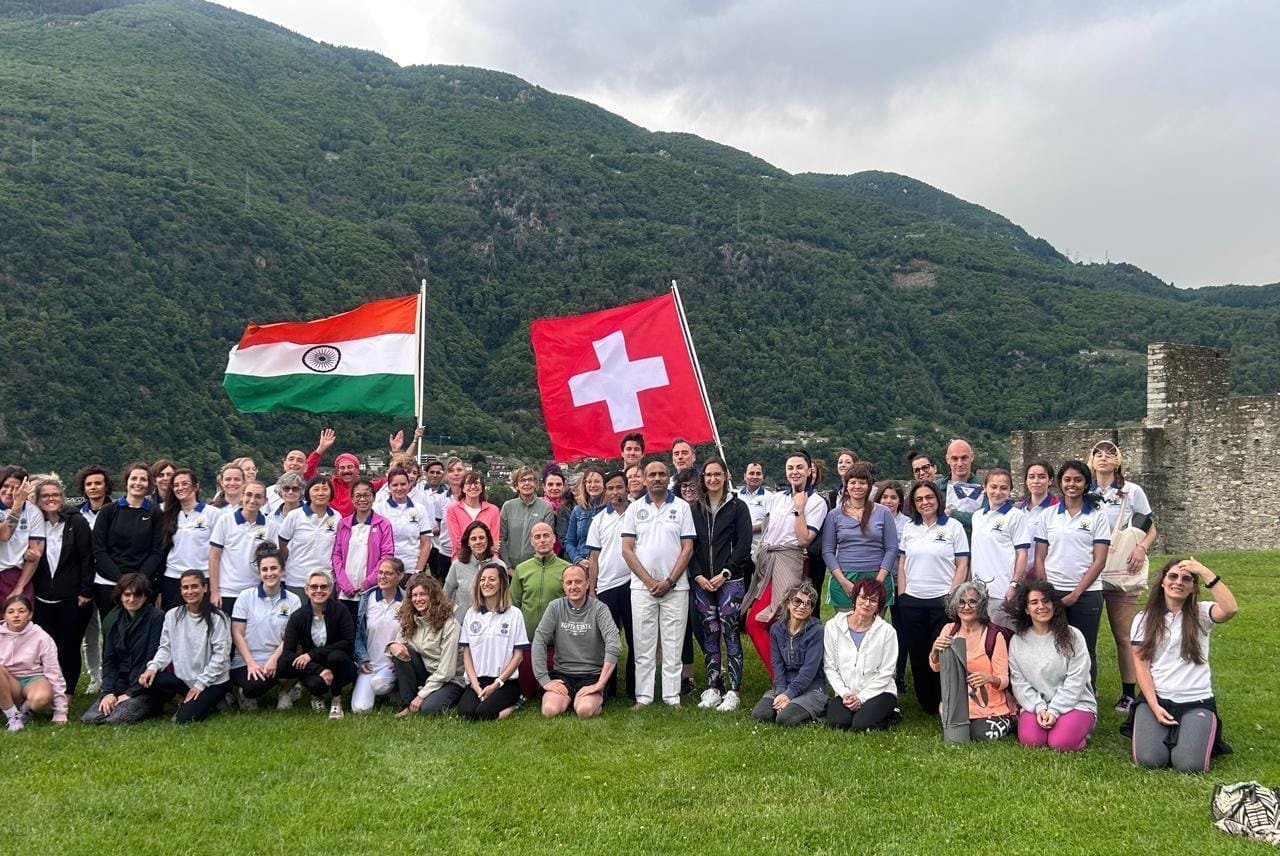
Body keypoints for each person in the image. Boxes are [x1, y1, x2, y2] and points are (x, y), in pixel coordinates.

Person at [1131, 557, 1238, 773]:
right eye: (1172, 576)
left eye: (1186, 579)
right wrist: (1153, 705)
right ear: (1162, 581)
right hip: (1158, 698)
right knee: (1150, 760)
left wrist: (1204, 571)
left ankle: (1192, 732)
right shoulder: (1144, 618)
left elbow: (1230, 609)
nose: (1178, 582)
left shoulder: (1201, 613)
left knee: (1189, 765)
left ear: (1192, 587)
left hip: (1195, 700)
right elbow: (1141, 665)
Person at [1089, 440, 1159, 714]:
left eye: (1109, 454)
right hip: (1092, 570)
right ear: (1091, 460)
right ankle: (1088, 685)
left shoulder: (1132, 491)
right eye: (1098, 453)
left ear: (1118, 461)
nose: (1103, 458)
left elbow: (1150, 526)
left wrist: (1141, 547)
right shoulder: (1087, 490)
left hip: (1121, 569)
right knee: (1087, 636)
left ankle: (1129, 692)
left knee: (1124, 635)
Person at [744, 451, 828, 679]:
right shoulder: (778, 498)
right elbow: (769, 529)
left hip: (790, 561)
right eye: (790, 467)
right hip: (769, 561)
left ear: (810, 471)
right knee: (769, 623)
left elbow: (804, 539)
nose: (795, 472)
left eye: (800, 467)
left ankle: (785, 678)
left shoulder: (817, 502)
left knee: (762, 621)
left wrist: (799, 507)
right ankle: (786, 675)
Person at [621, 460, 695, 709]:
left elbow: (688, 547)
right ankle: (644, 697)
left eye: (662, 474)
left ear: (668, 478)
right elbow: (627, 549)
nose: (657, 478)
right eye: (651, 474)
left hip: (676, 587)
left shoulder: (682, 508)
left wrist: (670, 581)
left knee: (674, 643)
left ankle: (672, 696)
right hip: (642, 588)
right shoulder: (634, 510)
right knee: (643, 643)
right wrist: (650, 581)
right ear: (643, 479)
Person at [1032, 460, 1110, 688]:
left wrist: (1076, 594)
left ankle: (1087, 696)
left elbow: (1100, 560)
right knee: (1055, 646)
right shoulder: (1048, 515)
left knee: (1084, 647)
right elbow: (1039, 557)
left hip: (1087, 594)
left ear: (1086, 484)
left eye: (1078, 480)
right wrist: (1047, 592)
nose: (1072, 484)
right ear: (1060, 482)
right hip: (1054, 592)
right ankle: (1056, 693)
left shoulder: (1097, 515)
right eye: (1067, 479)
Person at [895, 479, 969, 715]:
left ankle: (945, 698)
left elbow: (962, 563)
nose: (924, 502)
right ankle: (926, 701)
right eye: (919, 499)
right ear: (913, 504)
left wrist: (952, 596)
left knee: (943, 652)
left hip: (942, 600)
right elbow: (903, 561)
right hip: (913, 600)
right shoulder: (909, 528)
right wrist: (903, 594)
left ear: (937, 499)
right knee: (918, 652)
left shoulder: (953, 527)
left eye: (929, 497)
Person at [689, 459, 753, 712]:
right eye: (708, 475)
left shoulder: (738, 507)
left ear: (726, 476)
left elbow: (743, 544)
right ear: (703, 478)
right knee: (710, 634)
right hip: (702, 581)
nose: (713, 479)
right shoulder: (695, 509)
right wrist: (697, 575)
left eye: (717, 474)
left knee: (730, 632)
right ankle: (713, 686)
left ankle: (734, 690)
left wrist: (725, 572)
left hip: (731, 580)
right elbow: (688, 545)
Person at [131, 570, 233, 723]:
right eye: (185, 587)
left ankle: (212, 700)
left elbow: (221, 657)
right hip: (183, 679)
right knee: (146, 680)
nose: (189, 591)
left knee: (183, 720)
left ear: (205, 588)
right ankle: (183, 700)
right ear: (180, 590)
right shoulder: (172, 615)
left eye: (194, 586)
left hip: (212, 682)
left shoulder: (218, 618)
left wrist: (200, 685)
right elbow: (165, 648)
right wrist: (152, 668)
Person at [1007, 580, 1096, 752]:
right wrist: (1039, 707)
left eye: (1046, 601)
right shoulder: (1017, 641)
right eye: (1034, 602)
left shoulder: (1073, 636)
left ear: (1053, 605)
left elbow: (1076, 680)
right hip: (1037, 705)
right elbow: (1019, 682)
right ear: (1026, 609)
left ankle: (1079, 728)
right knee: (1031, 740)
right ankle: (1060, 726)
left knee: (1061, 743)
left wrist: (1054, 711)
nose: (1041, 606)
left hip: (1076, 702)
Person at [930, 580, 1016, 742]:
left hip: (991, 705)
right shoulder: (949, 630)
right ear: (955, 606)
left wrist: (988, 678)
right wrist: (935, 651)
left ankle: (1010, 720)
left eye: (972, 602)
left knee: (979, 735)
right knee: (958, 736)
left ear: (981, 605)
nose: (966, 607)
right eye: (961, 602)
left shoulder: (994, 635)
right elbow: (936, 668)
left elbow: (1003, 679)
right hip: (958, 703)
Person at [30, 476, 93, 694]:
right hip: (41, 598)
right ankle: (47, 688)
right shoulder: (33, 523)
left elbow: (87, 556)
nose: (51, 499)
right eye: (45, 495)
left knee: (69, 646)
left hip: (72, 598)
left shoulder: (76, 521)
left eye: (55, 495)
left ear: (62, 497)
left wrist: (85, 591)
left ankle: (67, 692)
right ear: (38, 499)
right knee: (45, 647)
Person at [532, 563, 620, 718]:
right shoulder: (555, 607)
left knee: (584, 711)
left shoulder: (600, 609)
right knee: (549, 710)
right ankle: (569, 698)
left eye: (578, 582)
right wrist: (544, 680)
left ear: (587, 584)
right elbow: (539, 640)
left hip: (592, 675)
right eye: (569, 582)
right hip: (563, 674)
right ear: (563, 586)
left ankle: (586, 700)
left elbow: (614, 645)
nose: (573, 586)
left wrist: (600, 684)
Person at [80, 573, 165, 724]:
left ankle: (151, 705)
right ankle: (119, 701)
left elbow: (151, 657)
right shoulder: (112, 619)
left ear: (145, 596)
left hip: (143, 684)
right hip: (120, 682)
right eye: (127, 594)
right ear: (120, 595)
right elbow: (109, 659)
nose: (131, 599)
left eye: (137, 595)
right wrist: (108, 693)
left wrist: (131, 693)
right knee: (90, 718)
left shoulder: (156, 617)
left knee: (116, 719)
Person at [229, 545, 302, 710]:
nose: (270, 573)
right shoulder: (245, 597)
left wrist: (273, 660)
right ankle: (242, 692)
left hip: (277, 657)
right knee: (254, 687)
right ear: (259, 573)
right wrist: (251, 664)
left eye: (274, 568)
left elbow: (291, 637)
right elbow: (237, 633)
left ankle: (286, 691)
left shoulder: (293, 600)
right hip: (246, 660)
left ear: (282, 571)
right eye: (265, 569)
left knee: (299, 665)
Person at [278, 571, 356, 719]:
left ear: (330, 589)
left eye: (323, 587)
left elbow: (348, 642)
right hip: (315, 666)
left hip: (340, 663)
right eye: (314, 587)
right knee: (313, 683)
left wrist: (311, 654)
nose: (318, 591)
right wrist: (319, 669)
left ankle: (336, 700)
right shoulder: (297, 617)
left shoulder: (340, 610)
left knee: (336, 656)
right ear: (306, 590)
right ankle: (316, 695)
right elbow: (287, 653)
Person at [823, 578, 899, 731]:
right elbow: (830, 667)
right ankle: (858, 709)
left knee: (861, 726)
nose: (867, 603)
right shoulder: (833, 627)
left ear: (878, 606)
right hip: (848, 692)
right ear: (855, 598)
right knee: (838, 722)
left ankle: (893, 714)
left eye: (873, 600)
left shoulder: (887, 632)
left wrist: (861, 698)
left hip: (880, 691)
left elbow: (886, 672)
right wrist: (845, 694)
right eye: (863, 597)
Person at [822, 463, 898, 613]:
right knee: (845, 629)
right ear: (846, 485)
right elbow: (827, 551)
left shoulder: (883, 512)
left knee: (874, 630)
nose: (857, 486)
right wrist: (843, 581)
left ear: (869, 486)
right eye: (853, 482)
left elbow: (891, 548)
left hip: (876, 576)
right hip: (845, 578)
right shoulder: (834, 515)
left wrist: (879, 580)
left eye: (862, 482)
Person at [457, 560, 528, 720]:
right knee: (466, 713)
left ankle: (517, 703)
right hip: (478, 680)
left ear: (502, 583)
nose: (486, 583)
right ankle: (479, 693)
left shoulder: (514, 614)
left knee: (484, 714)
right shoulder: (471, 613)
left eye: (492, 579)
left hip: (504, 682)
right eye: (482, 579)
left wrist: (497, 683)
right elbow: (466, 654)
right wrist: (475, 685)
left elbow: (518, 656)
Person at [586, 470, 635, 700]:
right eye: (611, 488)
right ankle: (608, 689)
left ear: (627, 488)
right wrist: (592, 590)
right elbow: (593, 558)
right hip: (606, 587)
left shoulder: (637, 512)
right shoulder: (599, 520)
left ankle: (635, 689)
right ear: (606, 491)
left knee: (636, 639)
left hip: (634, 584)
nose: (616, 492)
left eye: (619, 487)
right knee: (608, 641)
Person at [388, 573, 465, 717]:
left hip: (450, 679)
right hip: (426, 672)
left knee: (429, 708)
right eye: (414, 595)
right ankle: (408, 703)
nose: (418, 599)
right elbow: (399, 644)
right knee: (401, 651)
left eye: (423, 594)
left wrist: (422, 695)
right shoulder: (411, 619)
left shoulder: (450, 625)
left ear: (433, 596)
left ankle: (454, 697)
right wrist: (392, 646)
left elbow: (446, 671)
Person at [90, 462, 161, 615]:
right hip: (108, 583)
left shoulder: (155, 513)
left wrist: (137, 581)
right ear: (126, 481)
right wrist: (122, 581)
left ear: (149, 484)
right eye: (133, 478)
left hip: (142, 585)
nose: (138, 483)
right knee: (111, 631)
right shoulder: (108, 511)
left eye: (143, 479)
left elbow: (156, 552)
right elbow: (99, 550)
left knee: (139, 633)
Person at [751, 581, 825, 726]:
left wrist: (789, 695)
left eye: (808, 603)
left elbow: (809, 671)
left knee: (785, 719)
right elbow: (777, 664)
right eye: (797, 601)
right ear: (788, 603)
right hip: (784, 686)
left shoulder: (817, 631)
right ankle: (789, 705)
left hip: (811, 688)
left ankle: (817, 712)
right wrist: (780, 693)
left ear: (811, 610)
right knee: (760, 715)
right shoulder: (776, 629)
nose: (802, 606)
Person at [511, 522, 570, 697]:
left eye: (546, 535)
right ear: (531, 541)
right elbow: (514, 605)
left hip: (558, 644)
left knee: (559, 689)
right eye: (537, 537)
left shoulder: (566, 569)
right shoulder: (522, 570)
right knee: (527, 692)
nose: (542, 540)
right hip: (528, 643)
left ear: (554, 539)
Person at [969, 468, 1030, 624]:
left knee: (1003, 639)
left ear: (1010, 490)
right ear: (985, 488)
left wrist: (1014, 584)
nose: (998, 492)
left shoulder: (1016, 516)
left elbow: (1022, 553)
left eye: (1003, 488)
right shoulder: (977, 516)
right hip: (978, 592)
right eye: (993, 487)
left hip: (1002, 592)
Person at [208, 481, 277, 617]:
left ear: (264, 501)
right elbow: (214, 557)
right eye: (249, 495)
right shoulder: (225, 520)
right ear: (241, 496)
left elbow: (273, 561)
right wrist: (214, 591)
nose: (252, 500)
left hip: (255, 591)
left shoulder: (270, 526)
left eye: (258, 496)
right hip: (227, 591)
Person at [331, 478, 395, 624]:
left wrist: (367, 583)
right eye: (358, 495)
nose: (362, 499)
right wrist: (344, 584)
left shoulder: (383, 524)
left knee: (367, 631)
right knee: (346, 632)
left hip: (371, 589)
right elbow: (337, 555)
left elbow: (387, 556)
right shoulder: (344, 524)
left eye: (366, 495)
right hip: (345, 592)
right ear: (352, 498)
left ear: (373, 497)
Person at [0, 594, 68, 729]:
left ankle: (24, 711)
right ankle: (12, 715)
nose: (16, 615)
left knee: (41, 698)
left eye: (21, 611)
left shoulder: (42, 637)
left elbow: (54, 673)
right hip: (6, 679)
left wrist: (60, 712)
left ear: (30, 614)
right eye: (11, 612)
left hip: (32, 679)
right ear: (4, 616)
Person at [158, 469, 220, 610]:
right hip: (173, 578)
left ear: (196, 486)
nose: (180, 488)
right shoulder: (164, 512)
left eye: (185, 483)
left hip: (202, 577)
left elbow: (218, 551)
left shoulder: (213, 514)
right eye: (176, 485)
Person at [74, 465, 111, 692]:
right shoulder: (77, 514)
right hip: (85, 580)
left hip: (108, 580)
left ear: (106, 485)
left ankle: (110, 674)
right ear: (84, 488)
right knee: (89, 632)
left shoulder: (117, 510)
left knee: (109, 630)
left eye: (98, 483)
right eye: (89, 484)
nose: (94, 487)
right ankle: (95, 676)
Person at [351, 557, 405, 713]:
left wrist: (399, 662)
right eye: (380, 572)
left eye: (388, 573)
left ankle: (395, 689)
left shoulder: (407, 601)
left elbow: (411, 635)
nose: (382, 577)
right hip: (369, 665)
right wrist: (362, 659)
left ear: (400, 576)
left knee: (379, 684)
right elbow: (358, 634)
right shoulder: (367, 599)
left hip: (392, 665)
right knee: (360, 709)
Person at [277, 475, 340, 600]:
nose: (320, 493)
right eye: (316, 489)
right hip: (298, 580)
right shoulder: (295, 516)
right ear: (308, 493)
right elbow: (282, 544)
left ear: (331, 493)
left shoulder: (337, 517)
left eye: (325, 489)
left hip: (326, 580)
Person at [374, 467, 432, 575]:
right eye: (395, 485)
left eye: (403, 484)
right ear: (389, 487)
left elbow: (426, 543)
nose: (399, 488)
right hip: (386, 570)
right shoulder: (378, 509)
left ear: (409, 485)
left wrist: (418, 571)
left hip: (411, 569)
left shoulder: (420, 509)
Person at [499, 467, 554, 568]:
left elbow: (547, 540)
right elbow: (501, 538)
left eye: (530, 480)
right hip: (511, 569)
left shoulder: (546, 508)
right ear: (516, 486)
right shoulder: (507, 507)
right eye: (522, 480)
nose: (527, 483)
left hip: (536, 568)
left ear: (536, 484)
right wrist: (507, 567)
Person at [444, 521, 496, 622]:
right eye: (473, 539)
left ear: (488, 540)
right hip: (461, 623)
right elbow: (445, 595)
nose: (478, 542)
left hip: (491, 625)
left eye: (481, 538)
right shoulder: (457, 565)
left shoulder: (499, 566)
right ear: (468, 542)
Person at [1015, 460, 1057, 582]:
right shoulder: (1017, 509)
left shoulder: (1057, 510)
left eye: (1042, 477)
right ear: (1026, 480)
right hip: (1015, 575)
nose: (1036, 481)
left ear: (1050, 480)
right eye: (1031, 477)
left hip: (1044, 576)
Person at [445, 472, 500, 561]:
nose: (473, 486)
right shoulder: (453, 510)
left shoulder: (493, 510)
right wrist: (483, 547)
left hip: (488, 560)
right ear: (463, 488)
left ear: (482, 488)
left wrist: (485, 550)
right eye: (469, 483)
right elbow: (457, 542)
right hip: (463, 560)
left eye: (477, 483)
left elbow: (494, 542)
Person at [563, 467, 606, 567]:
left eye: (597, 481)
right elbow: (569, 541)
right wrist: (577, 559)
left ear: (604, 484)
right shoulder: (578, 510)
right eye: (589, 482)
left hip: (605, 562)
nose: (592, 485)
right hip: (582, 561)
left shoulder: (610, 509)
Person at [738, 462, 770, 549]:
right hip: (737, 548)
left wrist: (749, 529)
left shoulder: (770, 497)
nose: (755, 477)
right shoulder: (736, 496)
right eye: (751, 473)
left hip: (759, 549)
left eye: (758, 474)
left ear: (762, 477)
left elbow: (771, 522)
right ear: (745, 476)